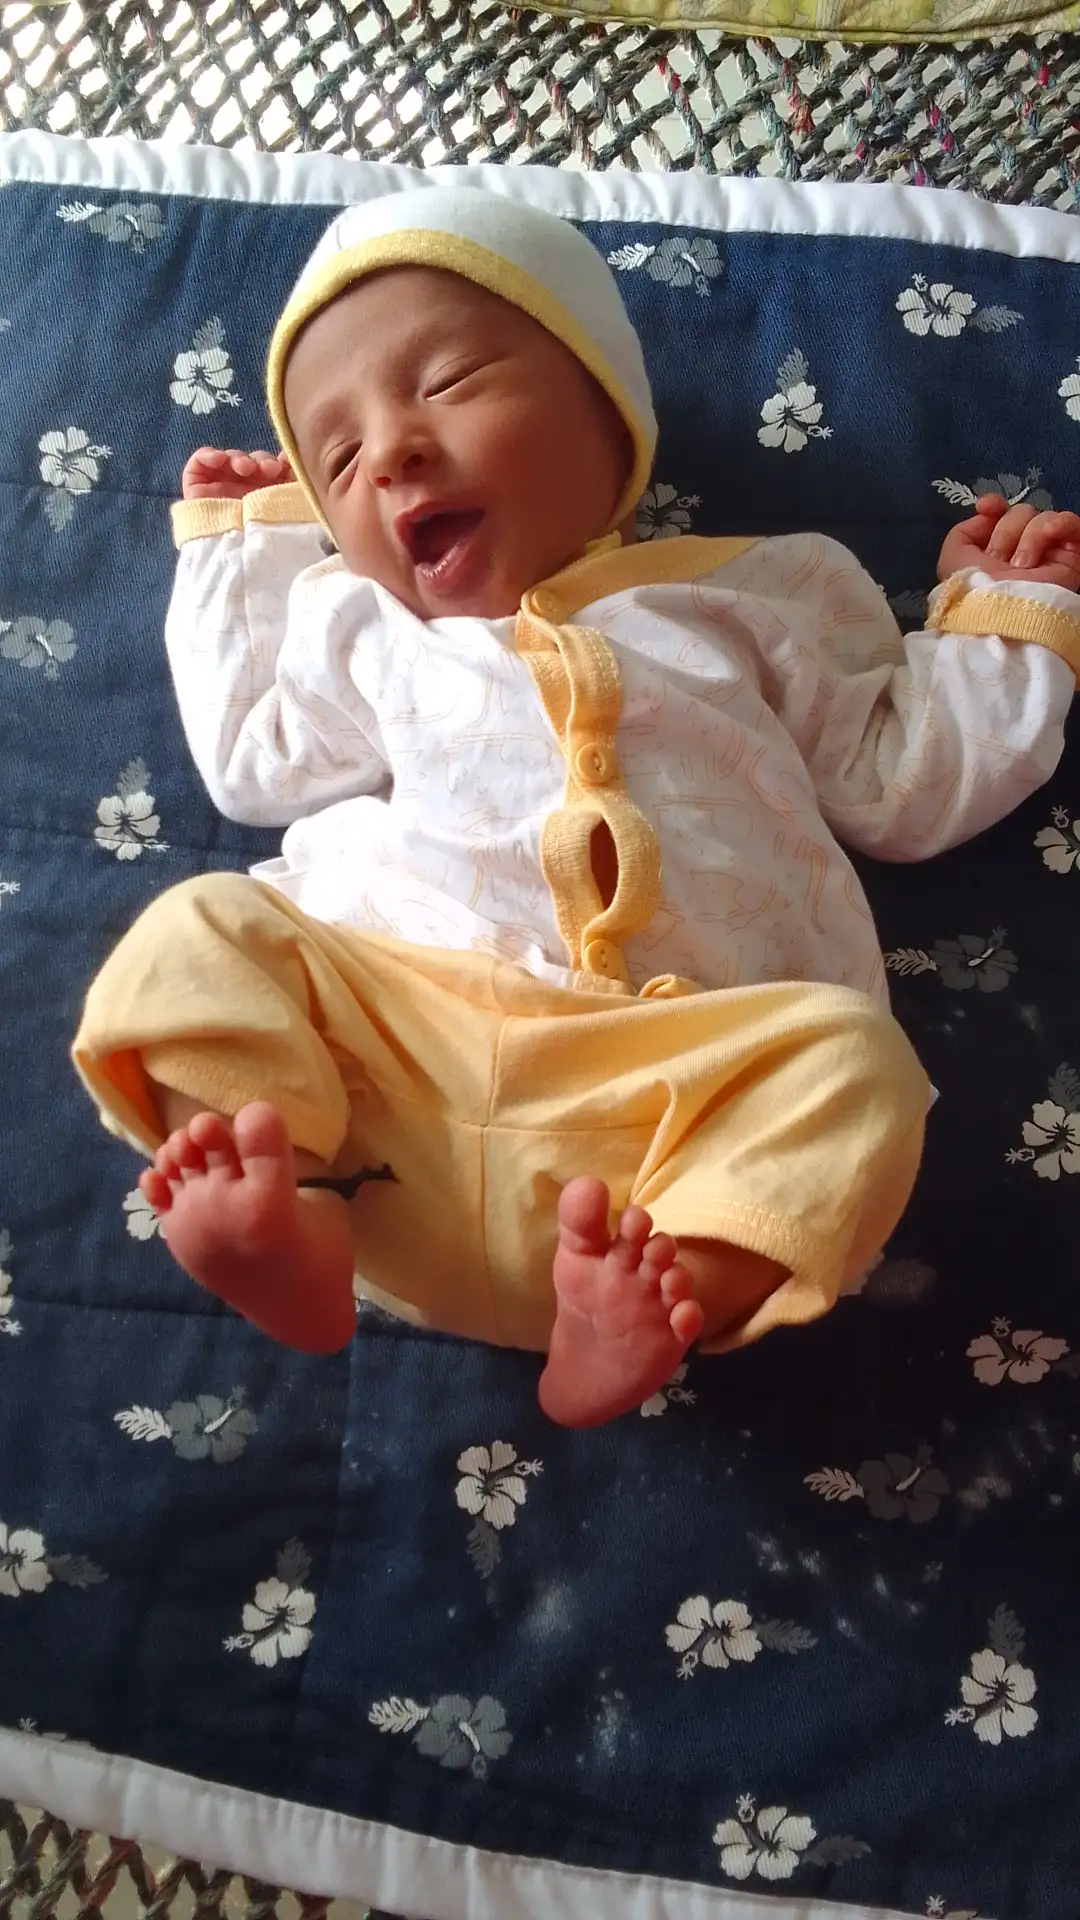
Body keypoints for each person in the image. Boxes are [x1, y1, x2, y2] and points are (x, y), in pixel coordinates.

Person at [73, 186, 1080, 1428]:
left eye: (447, 383)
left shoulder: (764, 594)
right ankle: (285, 1212)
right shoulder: (362, 626)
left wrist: (997, 626)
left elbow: (904, 782)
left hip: (661, 1125)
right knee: (199, 933)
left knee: (859, 1070)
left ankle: (655, 1310)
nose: (387, 452)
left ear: (609, 407)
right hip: (395, 1080)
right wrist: (252, 543)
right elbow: (250, 764)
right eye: (336, 460)